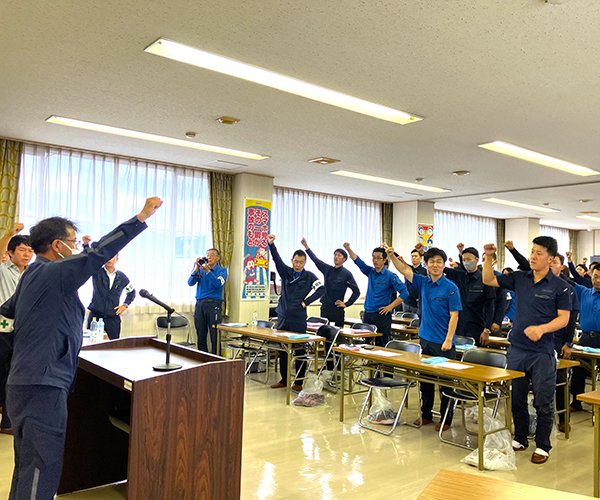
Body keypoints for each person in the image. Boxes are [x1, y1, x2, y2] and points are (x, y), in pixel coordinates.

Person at [1, 196, 162, 500]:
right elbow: (99, 253)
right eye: (73, 242)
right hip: (44, 384)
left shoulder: (31, 275)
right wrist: (139, 218)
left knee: (26, 463)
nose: (77, 248)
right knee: (41, 464)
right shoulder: (56, 272)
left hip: (20, 382)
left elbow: (9, 310)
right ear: (56, 246)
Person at [482, 237, 570, 464]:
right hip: (518, 349)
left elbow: (564, 319)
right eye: (532, 252)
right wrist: (489, 256)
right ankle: (520, 437)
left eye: (539, 253)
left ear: (550, 259)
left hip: (542, 352)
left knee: (542, 399)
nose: (532, 256)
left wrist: (542, 329)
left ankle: (543, 445)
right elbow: (489, 279)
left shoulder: (561, 287)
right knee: (517, 397)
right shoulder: (520, 278)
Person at [387, 246, 461, 431]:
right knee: (425, 381)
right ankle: (426, 414)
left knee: (446, 384)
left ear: (444, 265)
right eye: (431, 262)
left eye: (439, 262)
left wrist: (448, 340)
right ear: (426, 264)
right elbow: (404, 269)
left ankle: (446, 419)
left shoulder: (451, 287)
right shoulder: (423, 282)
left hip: (444, 343)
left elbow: (454, 316)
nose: (435, 265)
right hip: (425, 340)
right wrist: (392, 255)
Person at [268, 235, 324, 391]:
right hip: (283, 317)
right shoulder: (286, 272)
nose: (298, 265)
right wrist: (271, 244)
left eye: (301, 262)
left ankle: (298, 382)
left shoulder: (309, 276)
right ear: (292, 260)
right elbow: (276, 259)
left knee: (299, 350)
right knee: (283, 350)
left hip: (298, 318)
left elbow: (321, 289)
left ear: (304, 263)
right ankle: (284, 379)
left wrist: (307, 301)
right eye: (296, 261)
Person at [0, 223, 34, 434]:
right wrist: (9, 235)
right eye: (22, 249)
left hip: (22, 332)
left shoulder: (31, 273)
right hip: (3, 330)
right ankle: (6, 421)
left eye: (30, 251)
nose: (27, 254)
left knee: (16, 375)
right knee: (3, 374)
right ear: (10, 252)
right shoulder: (3, 269)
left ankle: (10, 418)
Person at [343, 243, 408, 347]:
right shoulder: (370, 272)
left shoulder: (391, 276)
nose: (375, 260)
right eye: (373, 258)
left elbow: (405, 293)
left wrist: (390, 306)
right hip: (368, 314)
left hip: (381, 314)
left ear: (384, 260)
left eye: (378, 258)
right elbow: (358, 262)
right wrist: (348, 249)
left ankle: (382, 363)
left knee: (381, 344)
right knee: (367, 344)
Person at [82, 238, 136, 340]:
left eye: (112, 257)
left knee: (113, 346)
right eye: (107, 257)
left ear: (117, 259)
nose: (109, 259)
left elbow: (132, 292)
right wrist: (86, 245)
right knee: (92, 345)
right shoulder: (97, 272)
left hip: (112, 318)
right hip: (96, 316)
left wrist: (125, 305)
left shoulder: (121, 277)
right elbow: (89, 259)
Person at [300, 238, 360, 328]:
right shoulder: (328, 269)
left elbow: (356, 291)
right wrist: (306, 246)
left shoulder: (346, 274)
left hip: (337, 309)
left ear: (344, 259)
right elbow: (316, 260)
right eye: (335, 255)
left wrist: (346, 304)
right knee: (323, 333)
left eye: (339, 255)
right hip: (325, 308)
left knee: (337, 335)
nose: (336, 257)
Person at [443, 244, 495, 346]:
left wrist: (487, 329)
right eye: (464, 260)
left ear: (477, 260)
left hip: (477, 326)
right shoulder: (460, 276)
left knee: (474, 356)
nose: (466, 262)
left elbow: (490, 306)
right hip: (459, 325)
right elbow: (442, 268)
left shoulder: (485, 279)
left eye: (469, 259)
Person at [568, 258, 600, 413]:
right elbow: (566, 280)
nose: (597, 281)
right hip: (586, 338)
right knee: (578, 370)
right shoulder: (584, 292)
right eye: (595, 277)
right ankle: (576, 401)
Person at [188, 248, 228, 354]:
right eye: (207, 255)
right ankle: (203, 359)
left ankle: (215, 358)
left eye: (212, 255)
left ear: (217, 258)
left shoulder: (222, 271)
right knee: (200, 332)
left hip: (214, 304)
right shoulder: (200, 270)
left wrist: (208, 271)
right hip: (200, 303)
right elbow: (190, 283)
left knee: (214, 334)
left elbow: (218, 284)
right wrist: (197, 269)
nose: (209, 257)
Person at [403, 248, 428, 314]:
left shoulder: (424, 271)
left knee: (416, 322)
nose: (413, 258)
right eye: (412, 256)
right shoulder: (408, 269)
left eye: (416, 256)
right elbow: (399, 260)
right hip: (406, 302)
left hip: (417, 303)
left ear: (420, 258)